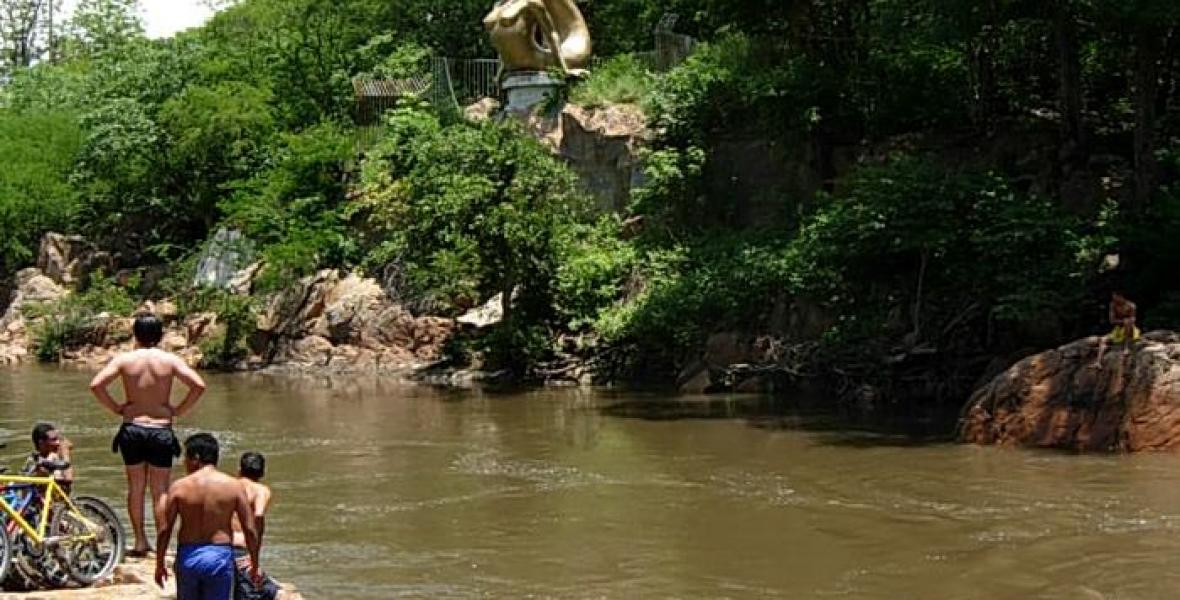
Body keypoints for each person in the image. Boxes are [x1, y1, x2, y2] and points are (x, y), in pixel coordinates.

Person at [88, 312, 207, 557]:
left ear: (136, 334)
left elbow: (96, 385)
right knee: (160, 489)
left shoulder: (125, 360)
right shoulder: (170, 360)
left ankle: (140, 541)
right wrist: (178, 410)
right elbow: (198, 385)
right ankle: (162, 546)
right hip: (161, 428)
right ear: (160, 335)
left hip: (132, 427)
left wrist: (117, 407)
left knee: (136, 488)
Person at [156, 433, 260, 600]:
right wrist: (254, 563)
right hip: (219, 557)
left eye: (186, 458)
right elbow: (250, 528)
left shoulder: (179, 487)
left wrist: (159, 563)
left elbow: (164, 529)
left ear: (196, 458)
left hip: (188, 556)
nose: (184, 463)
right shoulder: (233, 486)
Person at [232, 452, 288, 600]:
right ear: (262, 473)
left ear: (239, 470)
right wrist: (254, 559)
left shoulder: (228, 486)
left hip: (220, 546)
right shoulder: (261, 490)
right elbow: (258, 515)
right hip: (242, 551)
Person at [22, 422, 74, 494]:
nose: (58, 442)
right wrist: (65, 454)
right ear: (41, 443)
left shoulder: (57, 456)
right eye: (54, 439)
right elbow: (68, 479)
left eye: (58, 439)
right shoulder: (33, 461)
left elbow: (68, 483)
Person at [1095, 290, 1140, 368]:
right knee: (1103, 339)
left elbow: (1133, 320)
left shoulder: (1131, 306)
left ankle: (1126, 347)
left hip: (1130, 330)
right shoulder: (1113, 305)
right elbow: (1112, 320)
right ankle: (1098, 362)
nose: (1113, 299)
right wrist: (1122, 321)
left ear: (1120, 296)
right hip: (1118, 329)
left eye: (1115, 297)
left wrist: (1126, 321)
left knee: (1128, 323)